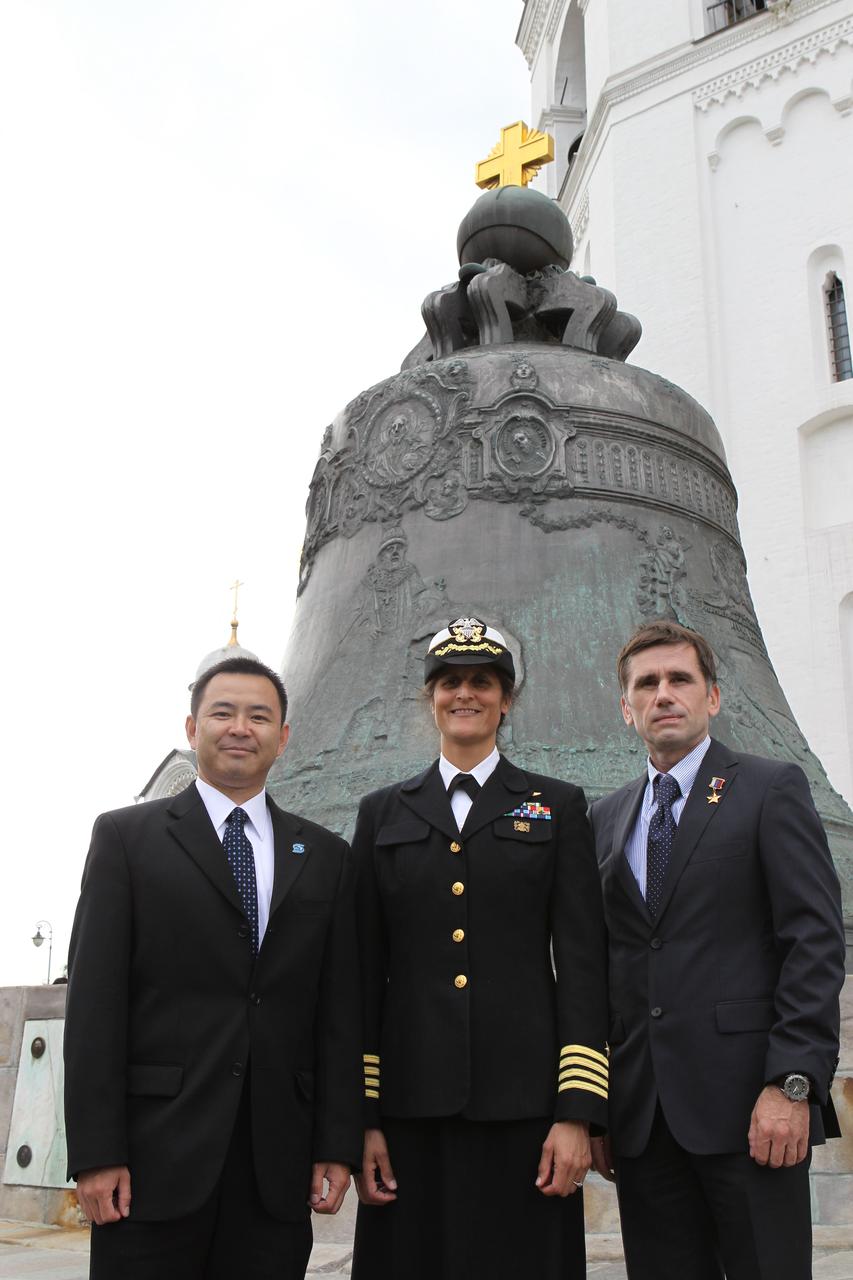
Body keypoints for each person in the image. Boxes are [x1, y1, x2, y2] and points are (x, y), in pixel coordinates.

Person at [64, 656, 362, 1280]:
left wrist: (335, 1144)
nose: (239, 728)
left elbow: (338, 1014)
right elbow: (95, 1006)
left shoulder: (325, 856)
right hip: (151, 1162)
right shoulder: (127, 839)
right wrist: (96, 1154)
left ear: (283, 738)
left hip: (273, 1167)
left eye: (259, 716)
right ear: (191, 726)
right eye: (222, 713)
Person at [350, 616, 609, 1280]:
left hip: (524, 1113)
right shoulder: (383, 813)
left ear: (507, 699)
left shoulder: (554, 807)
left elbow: (581, 964)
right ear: (429, 697)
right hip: (409, 1111)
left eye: (483, 682)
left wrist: (576, 1112)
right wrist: (364, 1118)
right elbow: (361, 971)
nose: (465, 694)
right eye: (450, 681)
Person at [589, 620, 845, 1280]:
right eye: (646, 684)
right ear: (626, 709)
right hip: (643, 1121)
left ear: (712, 698)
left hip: (750, 1111)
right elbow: (604, 964)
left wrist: (791, 1082)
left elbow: (812, 940)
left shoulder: (768, 787)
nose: (663, 694)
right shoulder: (606, 818)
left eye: (680, 679)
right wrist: (594, 1106)